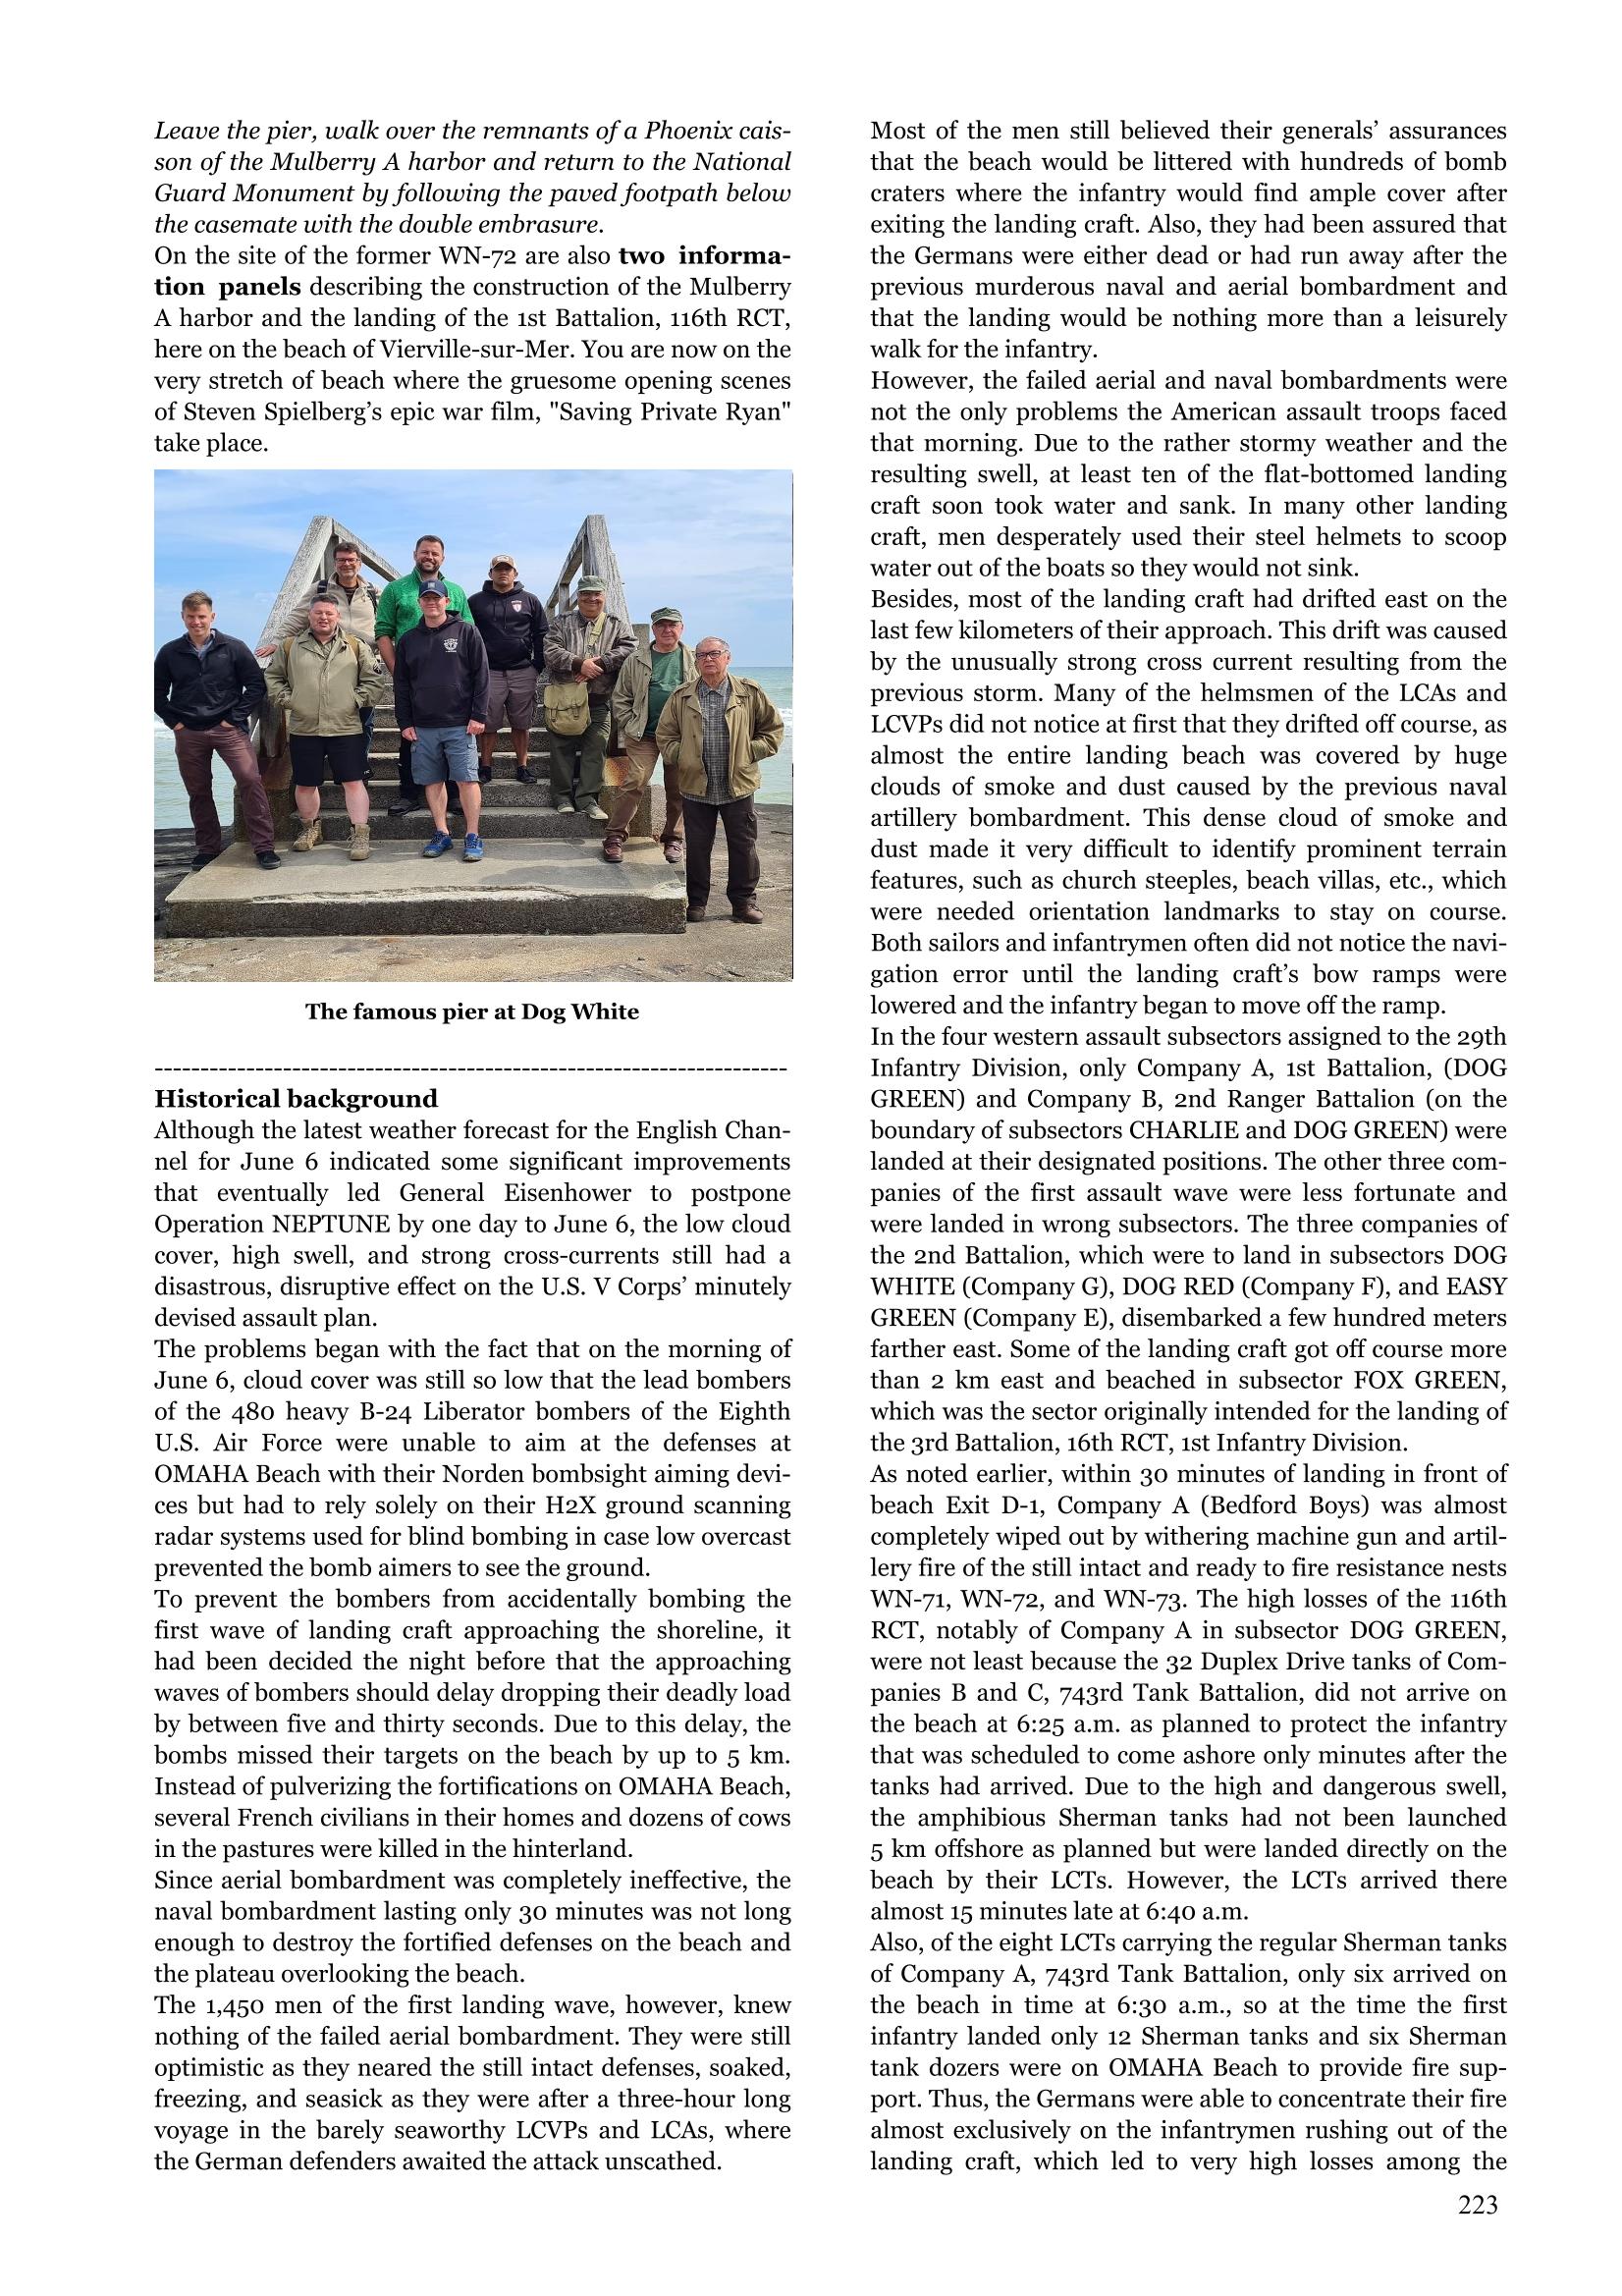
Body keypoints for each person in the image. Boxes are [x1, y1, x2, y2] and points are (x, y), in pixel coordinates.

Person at [654, 639, 783, 926]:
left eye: (714, 653)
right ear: (695, 661)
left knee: (744, 846)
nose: (708, 659)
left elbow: (773, 730)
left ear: (727, 657)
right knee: (698, 847)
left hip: (737, 784)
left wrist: (750, 752)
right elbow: (665, 735)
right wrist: (682, 757)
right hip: (696, 785)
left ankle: (743, 903)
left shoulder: (749, 693)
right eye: (701, 655)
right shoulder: (682, 695)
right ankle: (697, 902)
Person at [154, 592, 280, 872]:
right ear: (183, 617)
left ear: (212, 617)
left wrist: (234, 718)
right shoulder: (169, 652)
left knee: (250, 780)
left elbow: (256, 686)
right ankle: (207, 848)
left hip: (229, 730)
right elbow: (156, 693)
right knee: (198, 790)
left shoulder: (233, 647)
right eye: (191, 617)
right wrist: (174, 723)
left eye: (201, 616)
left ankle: (264, 847)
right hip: (188, 732)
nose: (196, 622)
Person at [264, 594, 390, 861]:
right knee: (306, 783)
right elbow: (273, 678)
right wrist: (289, 700)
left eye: (329, 613)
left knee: (354, 782)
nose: (323, 617)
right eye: (318, 613)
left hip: (346, 727)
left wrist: (355, 700)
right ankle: (311, 830)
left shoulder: (355, 645)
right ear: (309, 616)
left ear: (338, 617)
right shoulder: (289, 646)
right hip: (304, 728)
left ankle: (360, 833)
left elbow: (374, 681)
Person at [374, 537, 473, 815]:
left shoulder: (455, 590)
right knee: (410, 735)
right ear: (414, 554)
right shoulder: (395, 590)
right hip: (413, 677)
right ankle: (409, 793)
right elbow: (383, 631)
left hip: (451, 680)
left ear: (443, 557)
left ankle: (453, 794)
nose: (429, 556)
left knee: (453, 736)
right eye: (424, 552)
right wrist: (398, 672)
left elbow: (469, 632)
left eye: (435, 553)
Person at [393, 580, 490, 861]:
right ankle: (442, 833)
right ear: (419, 603)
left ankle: (473, 834)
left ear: (447, 602)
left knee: (467, 780)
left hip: (460, 723)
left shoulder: (467, 632)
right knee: (432, 781)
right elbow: (401, 685)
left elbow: (482, 676)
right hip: (423, 725)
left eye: (437, 598)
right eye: (426, 598)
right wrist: (404, 721)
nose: (431, 602)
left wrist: (478, 714)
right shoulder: (409, 639)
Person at [604, 608, 694, 865]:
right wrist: (631, 723)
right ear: (653, 629)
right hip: (643, 734)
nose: (667, 630)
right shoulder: (637, 659)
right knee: (635, 781)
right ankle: (615, 836)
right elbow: (620, 697)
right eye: (662, 625)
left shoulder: (692, 658)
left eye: (673, 625)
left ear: (681, 628)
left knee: (678, 788)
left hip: (680, 736)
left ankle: (673, 839)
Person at [542, 575, 633, 818]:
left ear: (604, 596)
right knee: (562, 749)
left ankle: (587, 799)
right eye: (585, 594)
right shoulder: (561, 622)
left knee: (596, 749)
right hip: (565, 700)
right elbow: (550, 651)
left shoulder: (617, 624)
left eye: (597, 594)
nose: (591, 599)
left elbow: (629, 650)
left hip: (600, 699)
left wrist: (600, 663)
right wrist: (579, 664)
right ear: (578, 597)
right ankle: (562, 796)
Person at [469, 556, 548, 787]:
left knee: (521, 722)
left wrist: (538, 664)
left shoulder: (530, 600)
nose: (503, 572)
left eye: (508, 569)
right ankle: (485, 767)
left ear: (515, 573)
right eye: (498, 569)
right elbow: (467, 633)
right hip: (489, 671)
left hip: (523, 670)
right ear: (490, 572)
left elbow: (541, 632)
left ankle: (522, 766)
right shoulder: (475, 601)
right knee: (488, 723)